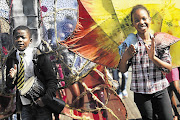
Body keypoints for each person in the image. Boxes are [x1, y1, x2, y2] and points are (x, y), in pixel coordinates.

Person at [118, 5, 173, 120]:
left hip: (160, 89)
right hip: (141, 93)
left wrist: (154, 58)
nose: (141, 22)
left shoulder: (159, 41)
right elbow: (122, 69)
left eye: (144, 18)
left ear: (150, 20)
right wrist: (125, 57)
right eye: (136, 20)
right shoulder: (130, 44)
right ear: (133, 24)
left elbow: (168, 68)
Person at [5, 25, 60, 120]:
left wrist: (45, 99)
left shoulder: (39, 56)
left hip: (42, 105)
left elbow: (52, 80)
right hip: (25, 105)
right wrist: (11, 77)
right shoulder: (12, 58)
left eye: (23, 37)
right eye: (16, 37)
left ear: (30, 40)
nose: (19, 40)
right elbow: (9, 86)